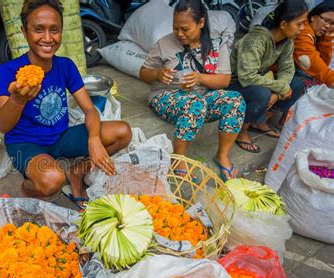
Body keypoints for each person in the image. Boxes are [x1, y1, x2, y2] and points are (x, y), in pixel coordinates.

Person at [0, 0, 131, 206]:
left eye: (54, 30)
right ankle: (27, 186)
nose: (47, 38)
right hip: (25, 143)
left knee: (123, 131)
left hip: (61, 137)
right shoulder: (7, 72)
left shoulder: (65, 66)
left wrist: (93, 138)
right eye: (39, 30)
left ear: (61, 32)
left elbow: (89, 109)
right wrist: (18, 99)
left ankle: (77, 171)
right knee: (52, 180)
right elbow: (2, 126)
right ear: (24, 31)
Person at [139, 0, 246, 181]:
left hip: (203, 95)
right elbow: (143, 73)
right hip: (166, 95)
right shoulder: (164, 44)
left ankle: (222, 155)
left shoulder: (216, 44)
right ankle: (178, 159)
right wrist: (157, 74)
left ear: (201, 23)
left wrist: (199, 78)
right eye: (175, 28)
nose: (179, 34)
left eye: (185, 29)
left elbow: (224, 80)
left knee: (235, 100)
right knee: (195, 104)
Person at [229, 0, 308, 153]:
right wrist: (280, 88)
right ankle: (241, 132)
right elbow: (247, 77)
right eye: (299, 24)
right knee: (261, 94)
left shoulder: (286, 41)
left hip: (255, 79)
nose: (303, 28)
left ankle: (260, 121)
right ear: (284, 24)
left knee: (297, 84)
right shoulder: (255, 40)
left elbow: (287, 68)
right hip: (233, 82)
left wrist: (279, 91)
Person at [293, 0, 334, 88]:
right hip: (269, 73)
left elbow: (323, 64)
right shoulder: (302, 30)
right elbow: (308, 60)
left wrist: (326, 39)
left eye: (333, 24)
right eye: (326, 20)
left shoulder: (316, 34)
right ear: (313, 17)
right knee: (298, 84)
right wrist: (331, 78)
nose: (328, 26)